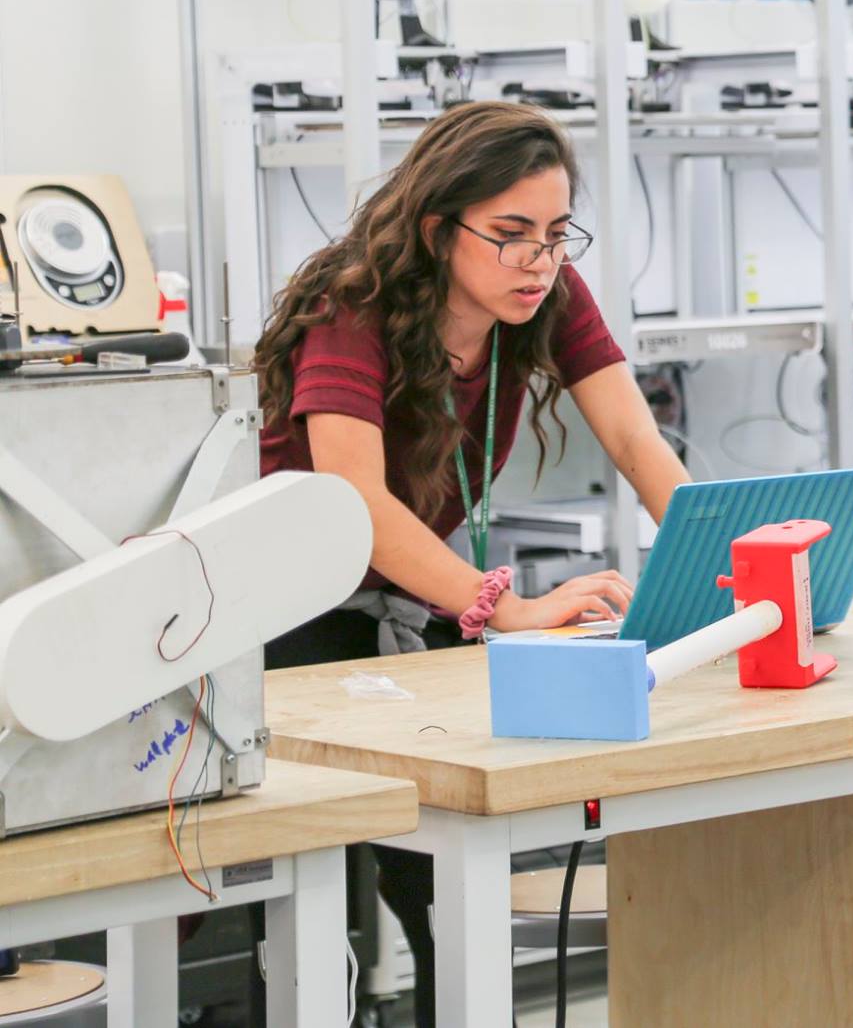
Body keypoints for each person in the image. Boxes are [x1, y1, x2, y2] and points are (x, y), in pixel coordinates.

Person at [253, 101, 692, 1025]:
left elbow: (632, 433)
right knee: (301, 905)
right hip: (279, 611)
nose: (541, 260)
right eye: (511, 235)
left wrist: (723, 561)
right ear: (435, 229)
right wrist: (505, 605)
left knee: (448, 893)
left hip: (405, 601)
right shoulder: (352, 306)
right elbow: (355, 507)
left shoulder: (547, 294)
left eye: (557, 235)